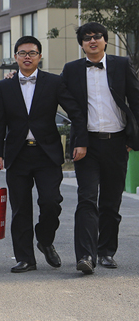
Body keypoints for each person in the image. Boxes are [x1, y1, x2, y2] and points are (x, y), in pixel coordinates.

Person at [0, 36, 88, 273]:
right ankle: (25, 258)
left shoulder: (54, 82)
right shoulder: (4, 86)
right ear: (15, 57)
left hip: (47, 154)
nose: (27, 57)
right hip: (17, 154)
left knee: (51, 202)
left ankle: (45, 240)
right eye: (22, 53)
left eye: (32, 53)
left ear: (40, 56)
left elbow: (75, 112)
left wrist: (80, 141)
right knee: (20, 209)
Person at [61, 22, 139, 274]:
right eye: (87, 38)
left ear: (105, 40)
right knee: (86, 199)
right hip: (86, 145)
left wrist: (132, 140)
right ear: (82, 44)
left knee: (110, 202)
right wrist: (14, 77)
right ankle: (85, 255)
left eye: (97, 36)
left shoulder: (121, 64)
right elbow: (53, 91)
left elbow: (136, 100)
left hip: (117, 142)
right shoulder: (72, 69)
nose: (92, 40)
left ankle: (106, 251)